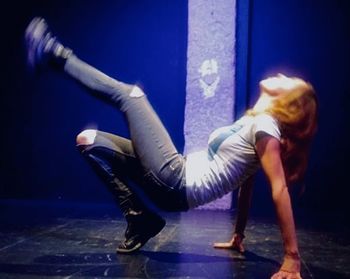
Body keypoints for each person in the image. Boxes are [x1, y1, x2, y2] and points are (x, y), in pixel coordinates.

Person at [24, 17, 318, 279]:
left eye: (290, 80)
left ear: (291, 103)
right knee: (87, 140)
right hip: (173, 182)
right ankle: (140, 220)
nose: (281, 75)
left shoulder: (266, 127)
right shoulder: (254, 124)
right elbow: (247, 186)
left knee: (132, 96)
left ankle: (55, 54)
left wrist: (292, 259)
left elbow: (279, 190)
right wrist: (238, 234)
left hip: (176, 181)